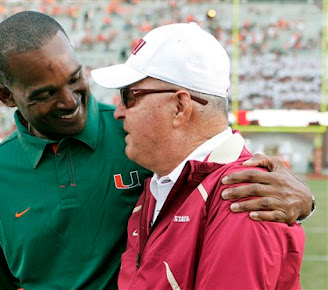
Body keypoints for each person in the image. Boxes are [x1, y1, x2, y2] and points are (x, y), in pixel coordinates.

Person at [0, 11, 313, 289]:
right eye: (44, 94)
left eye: (75, 78)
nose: (69, 101)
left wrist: (298, 201)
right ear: (6, 97)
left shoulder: (138, 139)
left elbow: (209, 154)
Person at [91, 22, 305, 289]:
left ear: (180, 106)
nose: (118, 111)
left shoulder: (245, 196)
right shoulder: (165, 179)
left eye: (130, 96)